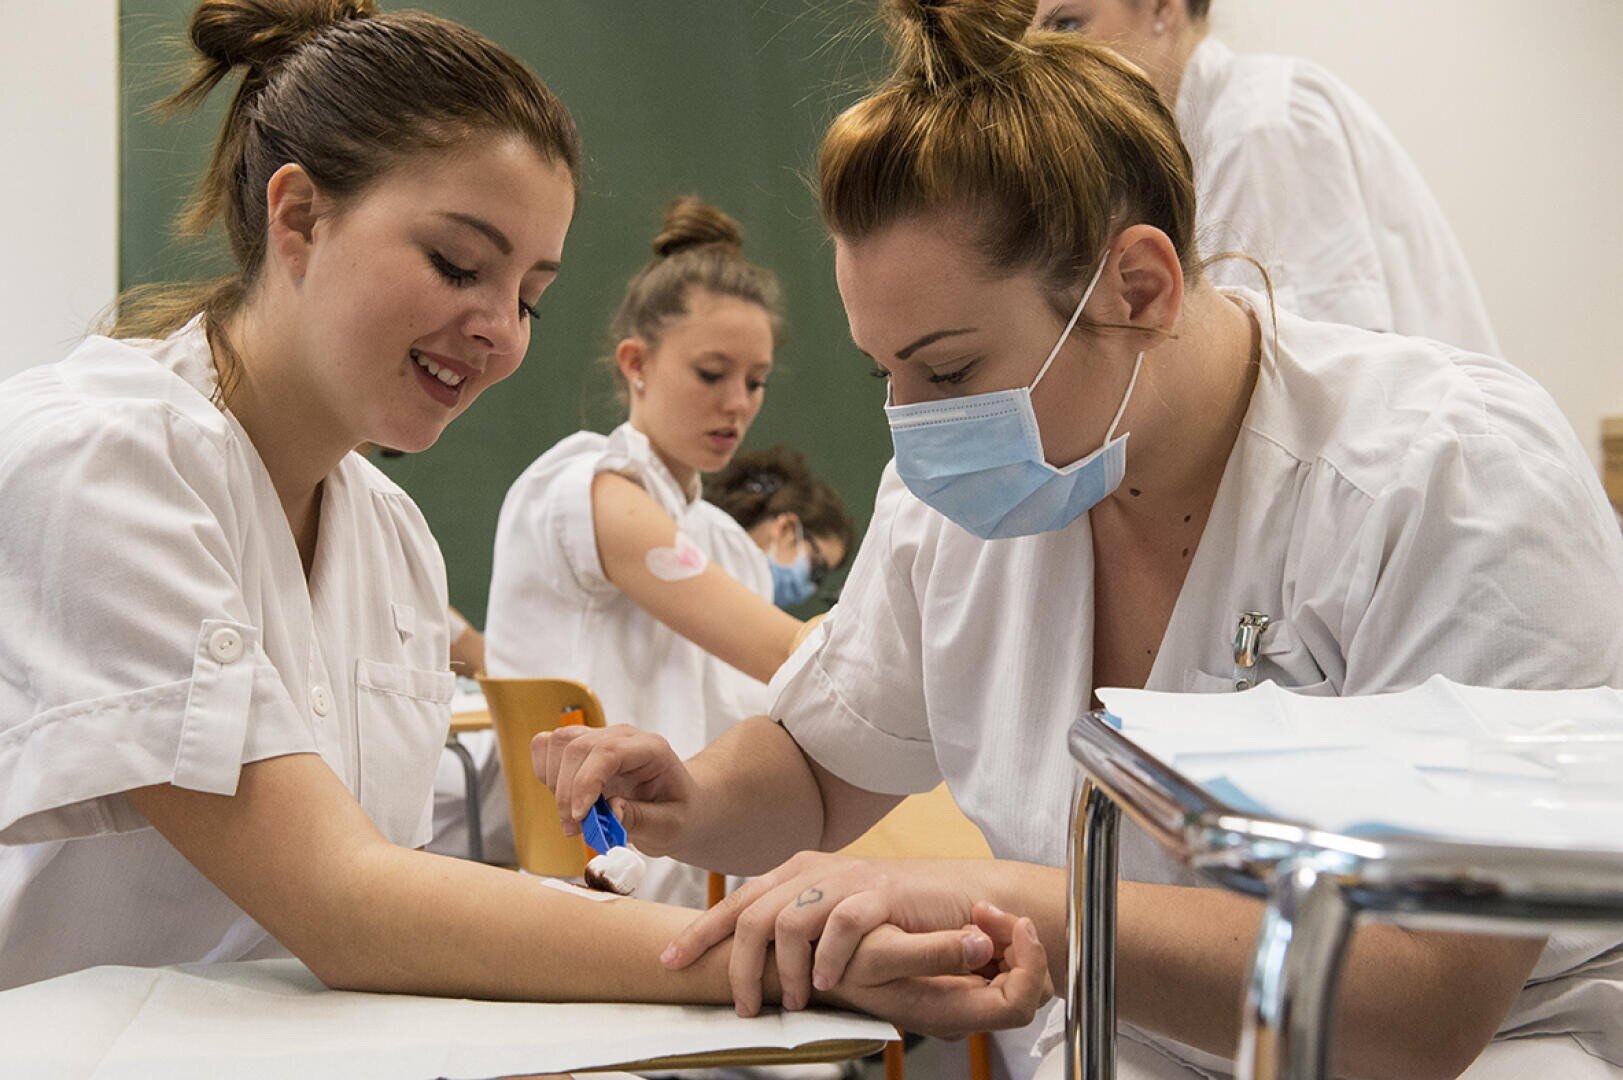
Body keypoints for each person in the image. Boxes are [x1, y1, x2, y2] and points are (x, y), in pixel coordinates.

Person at [534, 2, 1623, 1076]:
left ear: (1137, 287)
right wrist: (694, 797)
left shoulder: (1450, 480)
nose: (912, 425)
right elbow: (823, 762)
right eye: (887, 373)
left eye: (949, 370)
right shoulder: (976, 504)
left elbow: (1412, 1002)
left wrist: (1014, 901)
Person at [0, 0, 1051, 1038]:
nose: (499, 333)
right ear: (298, 215)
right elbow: (342, 904)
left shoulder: (392, 540)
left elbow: (373, 912)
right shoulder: (105, 456)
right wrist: (767, 958)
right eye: (459, 265)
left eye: (530, 295)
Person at [480, 202, 850, 901]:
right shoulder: (590, 490)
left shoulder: (715, 538)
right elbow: (790, 653)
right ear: (636, 363)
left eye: (755, 380)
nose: (737, 403)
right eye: (711, 373)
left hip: (702, 878)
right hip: (588, 885)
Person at [1032, 0, 1501, 355]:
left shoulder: (1264, 125)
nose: (1042, 59)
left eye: (1068, 26)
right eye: (1026, 36)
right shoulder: (1193, 141)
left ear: (1161, 7)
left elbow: (1299, 381)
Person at [708, 446, 853, 610]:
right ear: (785, 529)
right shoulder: (699, 557)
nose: (810, 588)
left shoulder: (748, 596)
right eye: (817, 569)